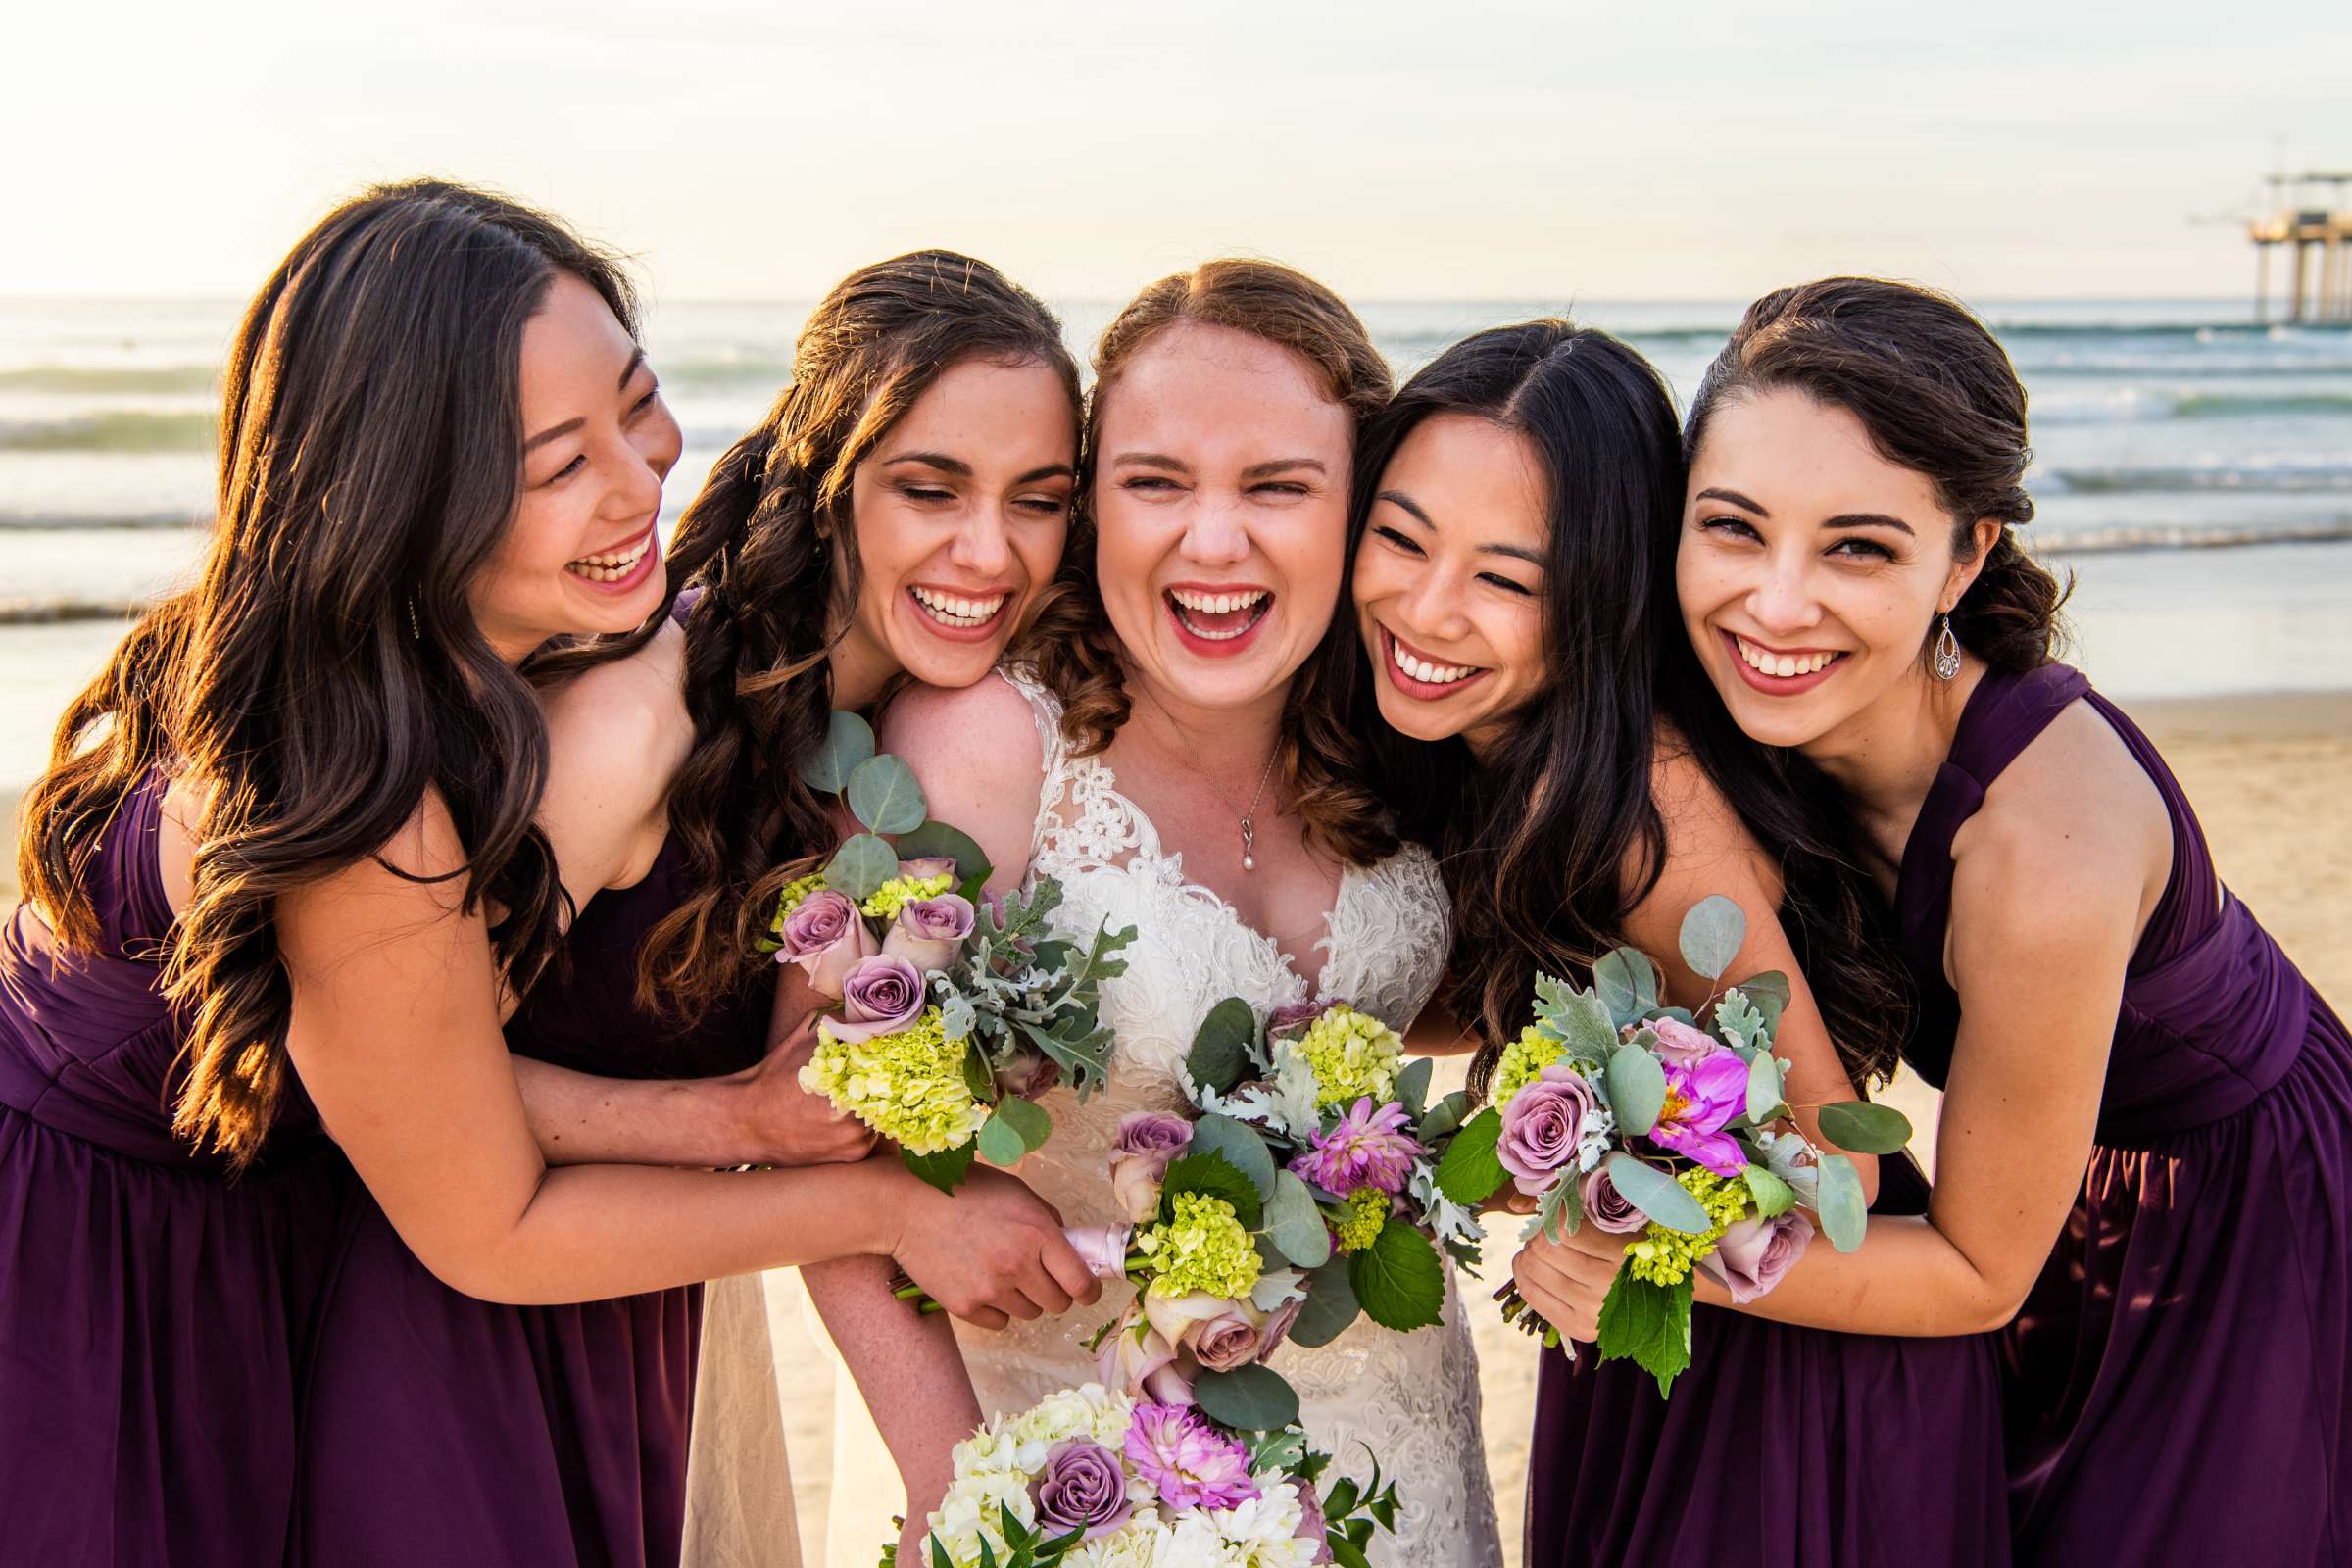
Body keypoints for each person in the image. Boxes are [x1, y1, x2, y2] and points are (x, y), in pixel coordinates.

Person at [0, 183, 1083, 1568]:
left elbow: (424, 1078)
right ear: (411, 488)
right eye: (557, 461)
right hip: (108, 1289)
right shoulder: (380, 795)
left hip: (283, 1242)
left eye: (638, 407)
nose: (642, 486)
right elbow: (471, 1190)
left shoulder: (494, 662)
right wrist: (803, 1159)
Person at [1516, 276, 2352, 1563]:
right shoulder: (1751, 711)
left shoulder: (2041, 855)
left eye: (1858, 547)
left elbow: (1975, 1274)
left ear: (1966, 555)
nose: (1777, 605)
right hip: (2048, 1185)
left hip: (2244, 1226)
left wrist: (1649, 1247)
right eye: (1733, 528)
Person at [292, 245, 1103, 1567]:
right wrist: (740, 1122)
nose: (990, 550)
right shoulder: (639, 717)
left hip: (625, 1305)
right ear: (830, 478)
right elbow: (387, 1090)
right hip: (457, 1330)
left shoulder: (883, 740)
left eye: (1040, 499)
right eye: (930, 487)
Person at [809, 260, 1505, 1567]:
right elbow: (826, 1137)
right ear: (1091, 504)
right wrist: (951, 1491)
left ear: (1360, 505)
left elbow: (1468, 1005)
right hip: (1075, 1473)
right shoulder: (983, 750)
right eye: (1157, 481)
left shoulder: (1414, 727)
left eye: (1278, 486)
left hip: (1398, 1449)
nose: (1214, 540)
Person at [1353, 318, 2009, 1566]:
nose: (1429, 609)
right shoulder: (1509, 758)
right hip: (1680, 1345)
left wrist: (1605, 1216)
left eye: (1508, 577)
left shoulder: (1632, 810)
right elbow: (1489, 1008)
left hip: (1786, 1361)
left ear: (1600, 594)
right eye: (1398, 536)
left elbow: (1840, 1169)